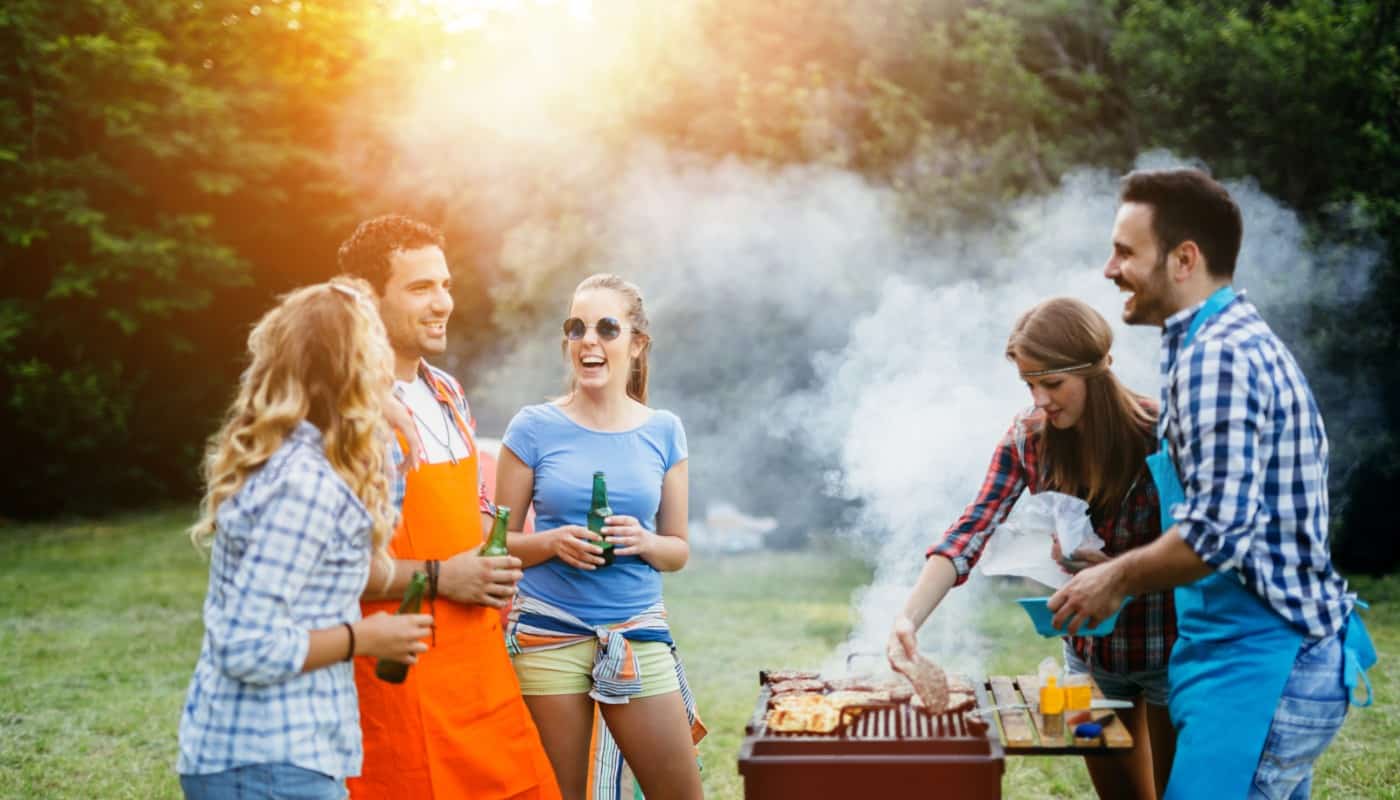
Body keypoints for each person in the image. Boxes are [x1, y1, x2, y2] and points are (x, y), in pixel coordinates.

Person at [1050, 168, 1374, 799]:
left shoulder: (1216, 357)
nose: (1109, 268)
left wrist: (1113, 579)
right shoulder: (1211, 341)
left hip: (1264, 667)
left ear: (1184, 259)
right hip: (1252, 661)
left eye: (1124, 252)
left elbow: (1218, 534)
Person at [888, 297, 1177, 799]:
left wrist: (1117, 573)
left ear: (1097, 369)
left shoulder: (1162, 433)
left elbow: (1202, 549)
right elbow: (970, 530)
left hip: (1169, 653)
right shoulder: (1029, 437)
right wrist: (908, 620)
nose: (1040, 399)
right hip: (1086, 665)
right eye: (1029, 384)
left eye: (1052, 383)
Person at [177, 277, 434, 800]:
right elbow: (244, 646)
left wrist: (387, 428)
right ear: (358, 369)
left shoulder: (294, 456)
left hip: (261, 755)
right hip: (269, 760)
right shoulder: (305, 486)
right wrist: (365, 639)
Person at [337, 215, 560, 799]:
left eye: (445, 285)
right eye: (419, 288)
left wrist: (549, 544)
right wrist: (444, 577)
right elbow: (328, 567)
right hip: (398, 684)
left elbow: (475, 522)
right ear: (367, 298)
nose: (442, 303)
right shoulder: (347, 412)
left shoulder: (449, 395)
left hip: (480, 675)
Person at [495, 273, 705, 800]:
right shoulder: (533, 427)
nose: (588, 339)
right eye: (576, 327)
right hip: (547, 632)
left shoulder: (664, 430)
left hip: (636, 633)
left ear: (636, 344)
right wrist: (552, 543)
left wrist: (643, 540)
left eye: (606, 327)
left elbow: (677, 549)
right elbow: (489, 542)